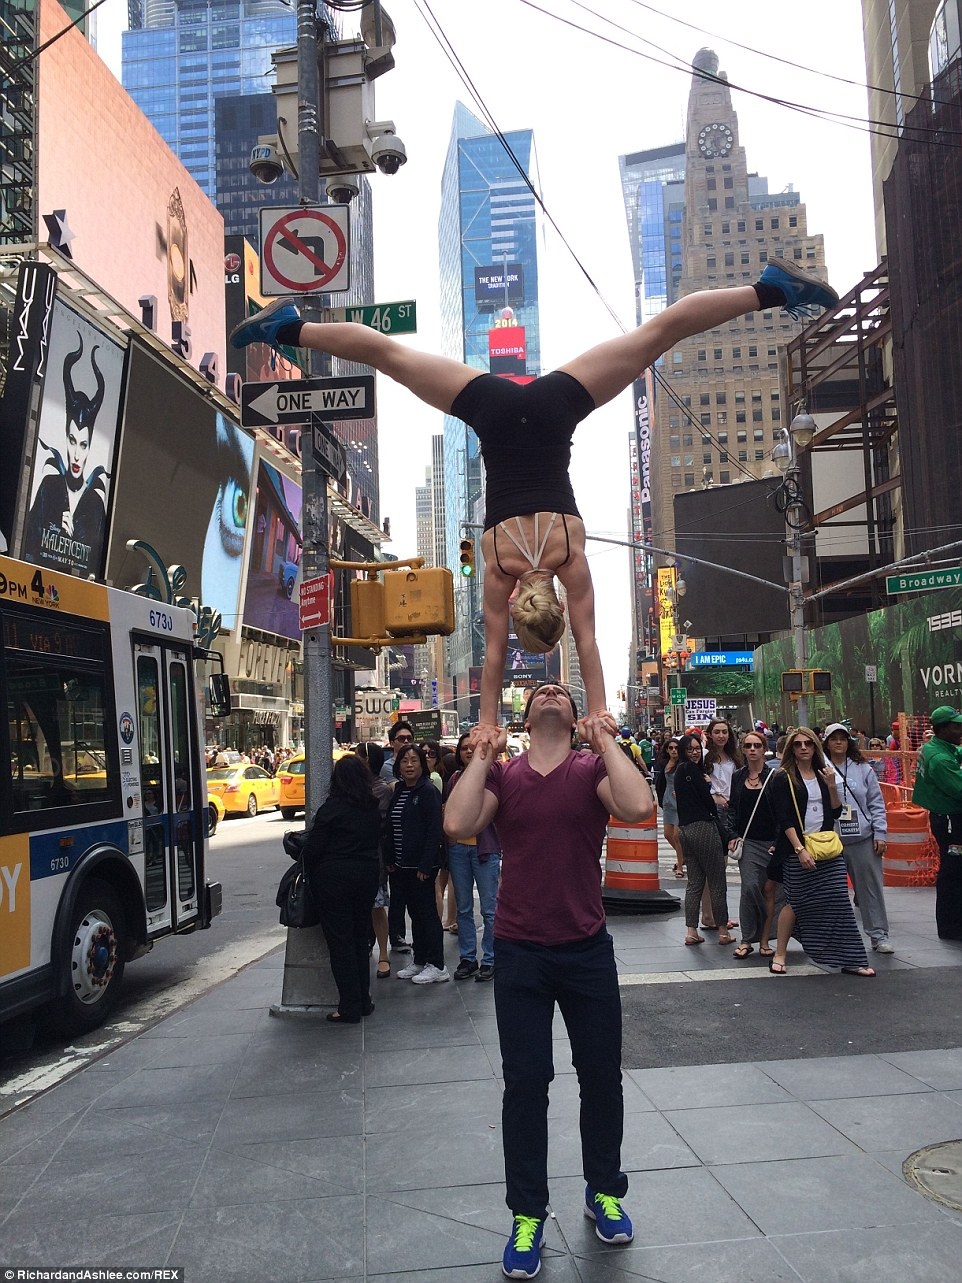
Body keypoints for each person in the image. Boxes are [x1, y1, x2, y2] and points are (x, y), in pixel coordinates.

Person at [231, 262, 839, 758]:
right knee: (390, 358)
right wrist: (490, 727)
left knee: (659, 332)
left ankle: (769, 289)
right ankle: (288, 329)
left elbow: (590, 642)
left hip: (552, 409)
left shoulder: (570, 557)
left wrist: (599, 713)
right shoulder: (497, 567)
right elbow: (494, 660)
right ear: (522, 608)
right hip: (492, 411)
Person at [443, 682, 652, 1279]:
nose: (552, 694)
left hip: (586, 949)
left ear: (573, 714)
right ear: (526, 717)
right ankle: (527, 1214)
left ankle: (604, 1191)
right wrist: (483, 750)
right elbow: (458, 823)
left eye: (561, 689)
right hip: (519, 952)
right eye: (541, 692)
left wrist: (607, 738)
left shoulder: (591, 770)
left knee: (600, 1078)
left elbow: (638, 807)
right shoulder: (505, 777)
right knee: (526, 1086)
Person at [768, 727, 874, 976]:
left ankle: (850, 958)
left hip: (827, 846)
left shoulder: (824, 773)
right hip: (797, 848)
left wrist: (832, 787)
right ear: (791, 748)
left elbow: (836, 812)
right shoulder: (783, 777)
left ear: (816, 747)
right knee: (796, 902)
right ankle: (780, 953)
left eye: (808, 744)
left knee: (839, 899)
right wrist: (799, 849)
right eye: (798, 744)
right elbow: (785, 819)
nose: (803, 748)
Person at [301, 755, 382, 1023]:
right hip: (366, 876)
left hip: (334, 880)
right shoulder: (371, 807)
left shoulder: (331, 809)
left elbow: (312, 850)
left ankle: (348, 1006)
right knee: (360, 938)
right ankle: (363, 1000)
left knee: (340, 943)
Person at [822, 723, 893, 954]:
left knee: (870, 889)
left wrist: (880, 833)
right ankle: (835, 938)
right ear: (827, 742)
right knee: (832, 892)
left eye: (843, 738)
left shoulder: (863, 769)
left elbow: (876, 802)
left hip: (863, 838)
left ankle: (879, 935)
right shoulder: (819, 768)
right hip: (830, 840)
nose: (839, 742)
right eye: (834, 739)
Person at [387, 743, 449, 984]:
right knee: (414, 913)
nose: (409, 765)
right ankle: (420, 960)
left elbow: (434, 831)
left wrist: (425, 865)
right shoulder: (400, 790)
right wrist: (391, 858)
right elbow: (392, 828)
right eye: (404, 761)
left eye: (414, 760)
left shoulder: (428, 791)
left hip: (422, 867)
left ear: (423, 765)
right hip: (402, 866)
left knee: (427, 915)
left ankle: (438, 964)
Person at [445, 733, 501, 981]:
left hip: (485, 849)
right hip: (458, 849)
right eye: (464, 748)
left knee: (490, 909)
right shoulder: (455, 779)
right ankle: (468, 958)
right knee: (464, 908)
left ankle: (489, 958)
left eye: (473, 747)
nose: (468, 751)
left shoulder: (494, 775)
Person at [673, 733, 734, 947]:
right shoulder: (690, 769)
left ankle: (691, 931)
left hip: (685, 829)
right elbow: (706, 801)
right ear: (683, 751)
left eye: (697, 748)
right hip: (703, 827)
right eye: (690, 749)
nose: (695, 752)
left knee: (695, 882)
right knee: (717, 880)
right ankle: (723, 931)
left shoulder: (679, 770)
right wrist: (711, 791)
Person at [729, 731, 782, 959]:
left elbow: (783, 812)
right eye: (748, 746)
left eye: (756, 745)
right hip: (749, 842)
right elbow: (732, 809)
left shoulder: (776, 776)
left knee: (770, 891)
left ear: (763, 749)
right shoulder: (738, 777)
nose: (752, 749)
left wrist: (780, 842)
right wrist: (731, 834)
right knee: (749, 887)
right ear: (743, 750)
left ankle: (763, 940)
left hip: (772, 842)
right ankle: (746, 938)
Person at [912, 706, 962, 940]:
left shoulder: (934, 748)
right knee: (953, 872)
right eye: (956, 727)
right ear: (942, 729)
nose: (960, 730)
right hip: (951, 821)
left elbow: (956, 753)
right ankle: (952, 926)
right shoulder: (941, 760)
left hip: (944, 818)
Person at [355, 741, 394, 979]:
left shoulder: (379, 789)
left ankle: (383, 954)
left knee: (377, 906)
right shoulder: (354, 786)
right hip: (357, 855)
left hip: (373, 854)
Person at [383, 721, 416, 951]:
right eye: (401, 739)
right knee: (397, 895)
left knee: (415, 898)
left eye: (408, 738)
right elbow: (402, 789)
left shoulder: (417, 764)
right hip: (393, 840)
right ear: (392, 742)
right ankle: (396, 936)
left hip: (414, 842)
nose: (405, 742)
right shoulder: (387, 767)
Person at [654, 738, 685, 878]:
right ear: (667, 750)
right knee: (667, 834)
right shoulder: (663, 764)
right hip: (667, 800)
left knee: (677, 836)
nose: (673, 750)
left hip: (680, 801)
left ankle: (680, 865)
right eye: (671, 748)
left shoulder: (684, 764)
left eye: (676, 748)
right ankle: (684, 857)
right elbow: (660, 782)